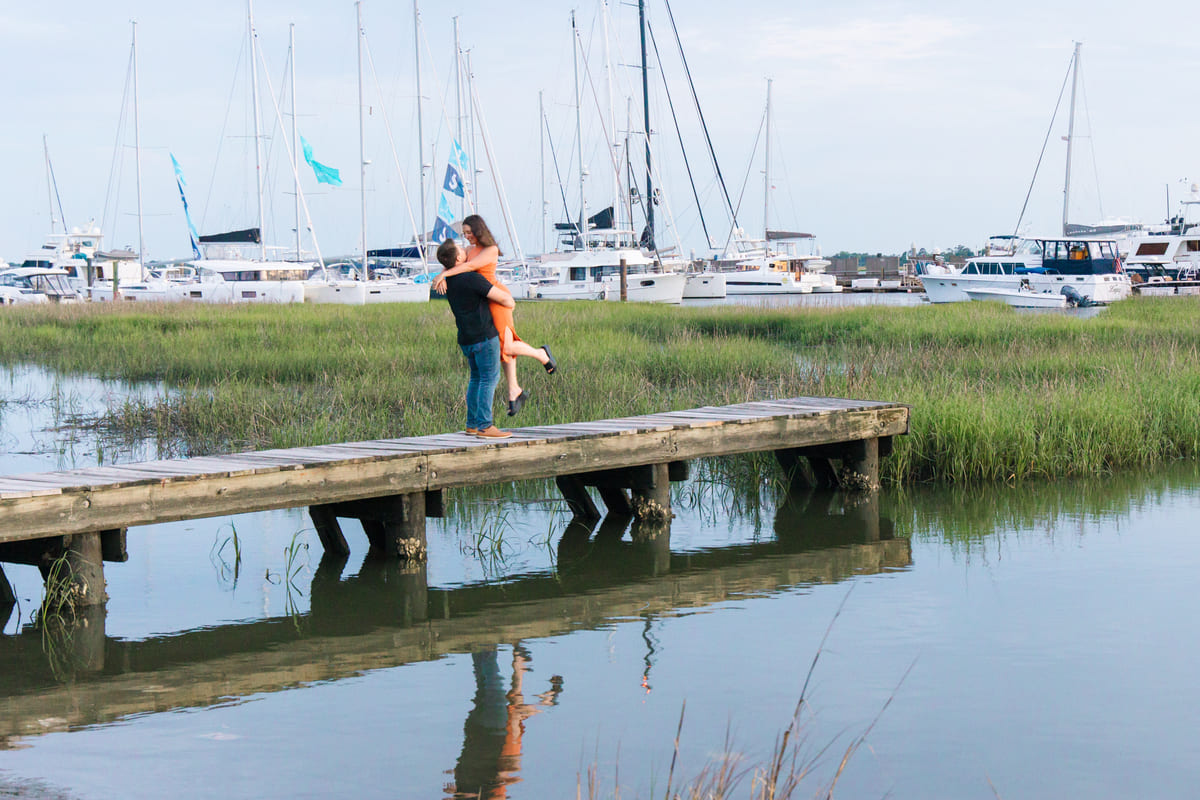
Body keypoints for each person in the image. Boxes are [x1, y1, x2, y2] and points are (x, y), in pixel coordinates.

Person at [432, 214, 556, 417]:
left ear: (479, 230)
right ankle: (513, 391)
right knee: (502, 347)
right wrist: (444, 270)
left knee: (506, 344)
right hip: (483, 299)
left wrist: (444, 274)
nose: (468, 237)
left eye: (470, 232)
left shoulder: (491, 250)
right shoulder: (469, 249)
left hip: (496, 297)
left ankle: (541, 354)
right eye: (464, 234)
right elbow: (455, 259)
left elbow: (470, 267)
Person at [436, 238, 514, 439]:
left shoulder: (449, 281)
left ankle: (472, 424)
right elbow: (505, 299)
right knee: (489, 379)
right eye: (462, 249)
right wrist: (510, 303)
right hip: (484, 336)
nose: (466, 250)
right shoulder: (471, 278)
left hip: (466, 338)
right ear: (460, 257)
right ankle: (485, 426)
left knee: (476, 379)